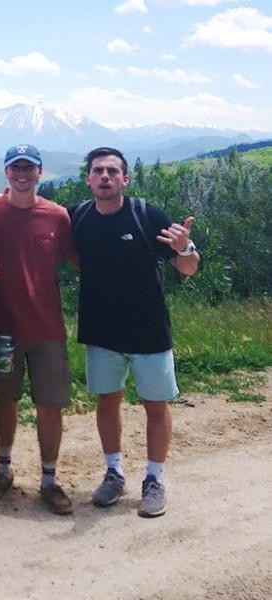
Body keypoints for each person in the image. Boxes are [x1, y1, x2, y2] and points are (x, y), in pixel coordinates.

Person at [69, 147, 199, 518]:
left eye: (113, 171)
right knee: (107, 402)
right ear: (89, 179)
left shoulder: (147, 215)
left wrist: (185, 247)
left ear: (125, 179)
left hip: (149, 331)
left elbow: (188, 268)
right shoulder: (76, 217)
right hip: (101, 332)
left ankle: (154, 479)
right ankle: (114, 473)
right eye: (98, 171)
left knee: (155, 407)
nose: (105, 176)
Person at [0, 145, 77, 515]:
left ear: (39, 172)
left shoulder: (57, 216)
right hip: (2, 326)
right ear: (6, 173)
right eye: (15, 167)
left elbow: (80, 261)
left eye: (29, 168)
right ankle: (4, 470)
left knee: (50, 404)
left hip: (47, 328)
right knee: (5, 399)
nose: (22, 173)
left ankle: (49, 479)